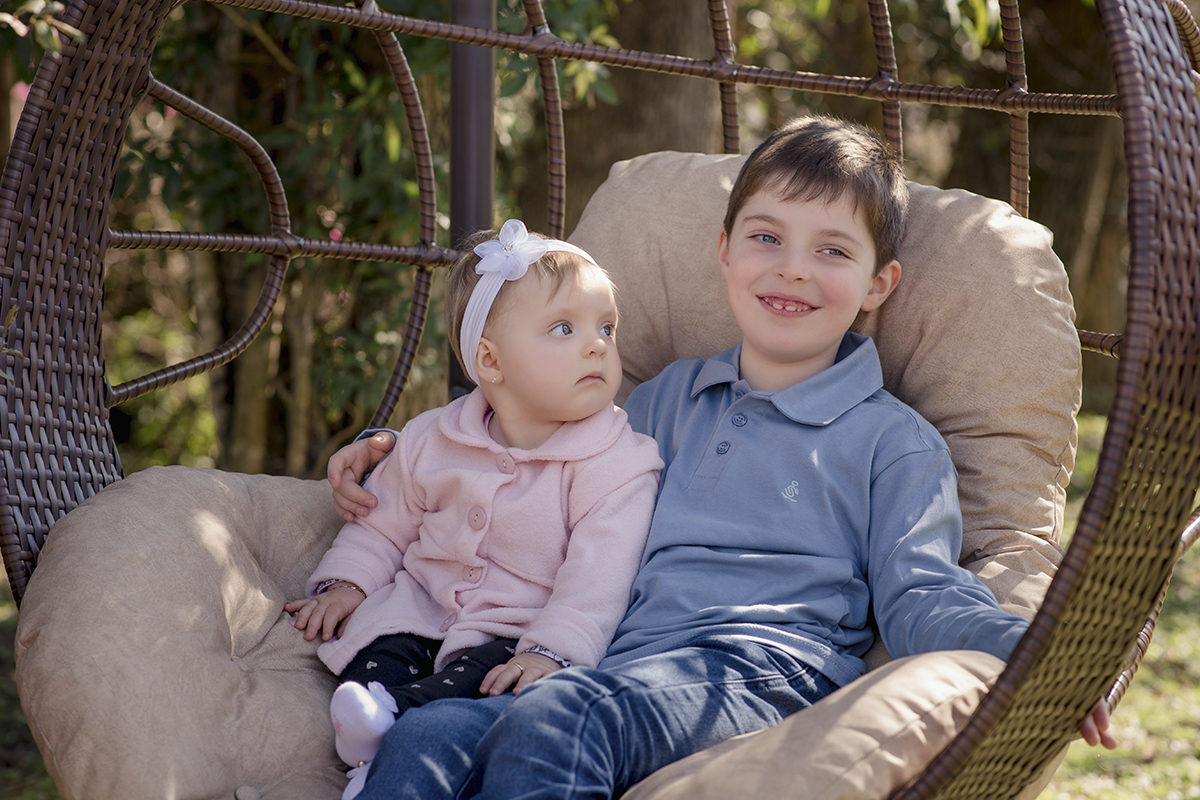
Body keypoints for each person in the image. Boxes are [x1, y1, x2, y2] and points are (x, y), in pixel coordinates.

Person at [328, 116, 1116, 800]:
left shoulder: (895, 442)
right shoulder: (661, 400)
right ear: (725, 251)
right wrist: (394, 452)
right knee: (424, 739)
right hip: (617, 666)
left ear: (879, 285)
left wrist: (1032, 652)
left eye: (832, 251)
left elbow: (920, 594)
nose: (793, 268)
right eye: (766, 238)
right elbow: (527, 447)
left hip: (764, 671)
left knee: (558, 721)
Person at [287, 219, 662, 799]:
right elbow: (384, 525)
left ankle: (388, 730)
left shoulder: (617, 462)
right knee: (376, 647)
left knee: (483, 682)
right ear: (491, 362)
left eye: (606, 328)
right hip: (420, 607)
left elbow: (599, 575)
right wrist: (347, 586)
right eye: (564, 328)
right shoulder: (431, 437)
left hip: (514, 631)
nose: (597, 344)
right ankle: (369, 735)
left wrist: (551, 651)